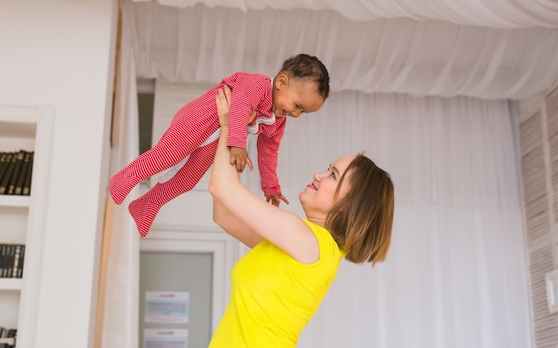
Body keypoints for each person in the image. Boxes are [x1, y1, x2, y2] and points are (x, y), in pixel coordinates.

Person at [207, 86, 395, 348]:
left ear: (349, 205)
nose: (319, 175)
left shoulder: (307, 241)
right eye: (328, 169)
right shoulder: (301, 245)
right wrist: (234, 131)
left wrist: (232, 127)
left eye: (332, 175)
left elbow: (222, 188)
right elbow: (224, 213)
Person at [109, 53, 330, 237]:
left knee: (188, 179)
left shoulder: (277, 121)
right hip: (201, 118)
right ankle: (124, 178)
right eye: (297, 105)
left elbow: (268, 151)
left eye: (303, 112)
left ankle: (146, 205)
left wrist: (271, 187)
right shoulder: (259, 85)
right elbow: (240, 106)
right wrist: (238, 143)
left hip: (214, 141)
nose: (296, 114)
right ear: (282, 82)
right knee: (168, 155)